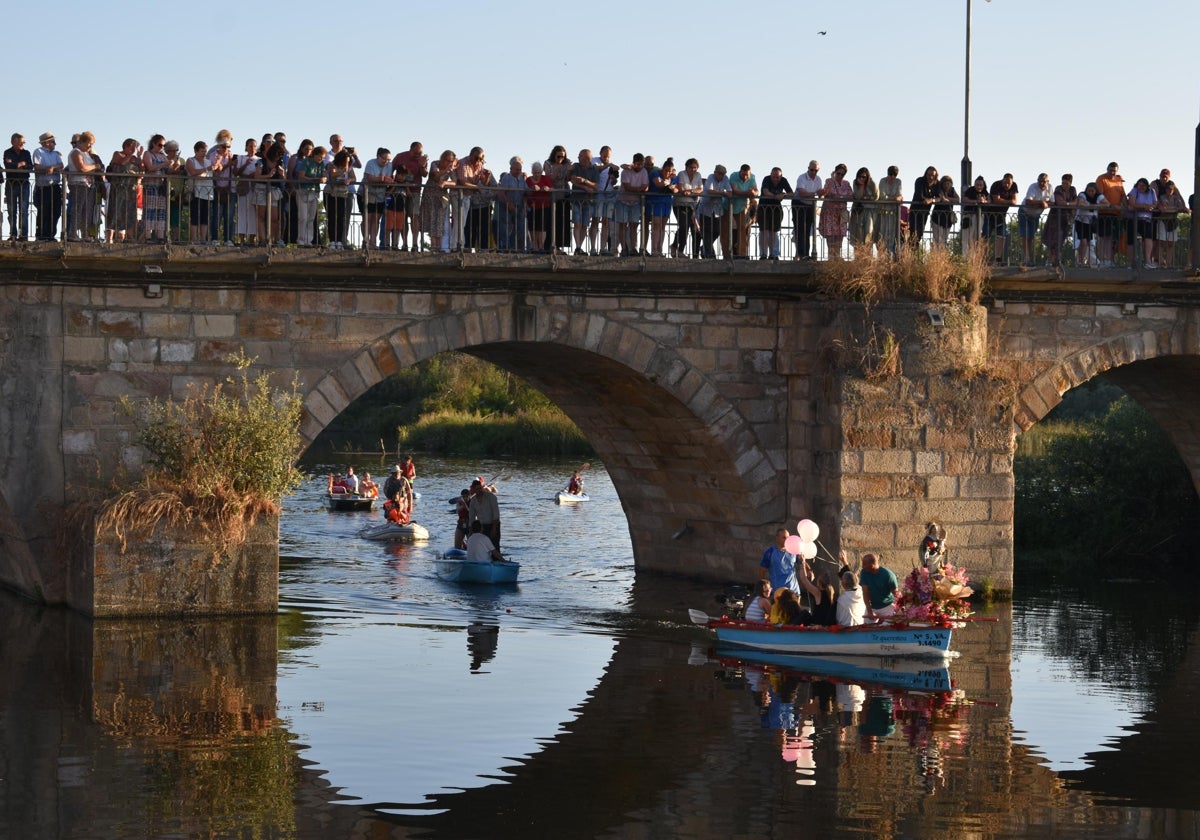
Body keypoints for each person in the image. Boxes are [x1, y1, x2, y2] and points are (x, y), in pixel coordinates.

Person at [105, 138, 142, 244]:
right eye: (132, 147)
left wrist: (139, 156)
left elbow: (141, 168)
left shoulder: (135, 158)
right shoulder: (118, 154)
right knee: (114, 211)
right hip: (118, 188)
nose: (134, 149)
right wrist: (130, 155)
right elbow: (121, 164)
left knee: (130, 213)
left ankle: (130, 238)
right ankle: (110, 238)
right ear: (127, 146)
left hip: (130, 189)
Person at [185, 140, 217, 245]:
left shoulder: (208, 161)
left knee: (205, 217)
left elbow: (213, 173)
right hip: (195, 192)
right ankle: (193, 239)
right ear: (196, 151)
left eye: (205, 151)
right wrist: (206, 169)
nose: (204, 154)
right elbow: (193, 172)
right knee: (194, 216)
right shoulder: (190, 160)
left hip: (208, 192)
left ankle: (203, 239)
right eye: (202, 151)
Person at [568, 148, 600, 255]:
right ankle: (577, 247)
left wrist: (585, 181)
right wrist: (585, 187)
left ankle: (580, 247)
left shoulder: (594, 169)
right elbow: (573, 179)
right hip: (577, 199)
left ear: (587, 158)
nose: (578, 158)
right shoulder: (576, 166)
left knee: (584, 225)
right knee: (577, 223)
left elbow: (596, 186)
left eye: (580, 156)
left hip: (588, 201)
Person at [1043, 173, 1077, 268]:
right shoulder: (1058, 189)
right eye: (1063, 183)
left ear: (1070, 182)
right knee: (1053, 240)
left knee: (1061, 240)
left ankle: (1057, 261)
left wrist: (1068, 204)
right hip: (1055, 219)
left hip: (1065, 220)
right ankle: (1050, 261)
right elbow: (1059, 202)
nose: (1064, 185)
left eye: (1066, 183)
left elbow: (1076, 202)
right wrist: (1070, 204)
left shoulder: (1073, 190)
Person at [1095, 162, 1126, 267]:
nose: (1112, 172)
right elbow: (1100, 196)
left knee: (1113, 239)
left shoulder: (1118, 180)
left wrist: (1125, 208)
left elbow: (1123, 195)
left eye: (1114, 171)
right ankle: (1102, 259)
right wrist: (1111, 206)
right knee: (1103, 237)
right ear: (1107, 169)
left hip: (1116, 214)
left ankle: (1109, 260)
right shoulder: (1101, 179)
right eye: (1110, 170)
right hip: (1104, 213)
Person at [697, 164, 731, 259]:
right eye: (719, 173)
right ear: (715, 172)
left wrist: (721, 193)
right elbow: (709, 191)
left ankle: (704, 248)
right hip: (705, 209)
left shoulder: (725, 179)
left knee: (716, 231)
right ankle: (709, 255)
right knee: (707, 232)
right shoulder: (710, 177)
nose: (721, 176)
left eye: (723, 174)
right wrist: (723, 193)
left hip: (717, 210)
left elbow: (730, 193)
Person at [819, 163, 853, 258]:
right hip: (830, 213)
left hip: (841, 213)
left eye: (842, 174)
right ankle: (831, 257)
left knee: (839, 235)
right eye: (838, 173)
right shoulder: (829, 181)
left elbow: (851, 195)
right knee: (830, 235)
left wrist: (840, 197)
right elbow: (825, 193)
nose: (840, 176)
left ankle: (837, 256)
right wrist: (832, 180)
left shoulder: (846, 183)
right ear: (835, 172)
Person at [757, 166, 792, 260]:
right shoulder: (766, 179)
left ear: (781, 177)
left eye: (777, 177)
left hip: (776, 209)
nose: (775, 179)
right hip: (763, 207)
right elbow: (765, 192)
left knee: (773, 231)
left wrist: (783, 195)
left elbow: (791, 193)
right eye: (774, 177)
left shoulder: (784, 180)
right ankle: (763, 254)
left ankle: (773, 254)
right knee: (763, 231)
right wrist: (776, 196)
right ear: (770, 175)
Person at [1019, 173, 1052, 266]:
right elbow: (1028, 201)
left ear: (1047, 182)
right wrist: (1041, 202)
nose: (1042, 183)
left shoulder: (1050, 188)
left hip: (1035, 216)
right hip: (1024, 213)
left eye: (1044, 182)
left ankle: (1029, 258)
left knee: (1031, 236)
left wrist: (1039, 204)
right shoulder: (1033, 187)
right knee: (1025, 235)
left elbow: (1052, 202)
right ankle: (1026, 258)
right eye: (1040, 181)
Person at [4, 133, 33, 241]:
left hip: (24, 184)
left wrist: (17, 164)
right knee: (12, 211)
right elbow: (8, 166)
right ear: (13, 142)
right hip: (11, 184)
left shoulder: (26, 153)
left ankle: (23, 235)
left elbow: (30, 166)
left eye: (23, 142)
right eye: (20, 142)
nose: (22, 144)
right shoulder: (7, 152)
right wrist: (20, 164)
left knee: (24, 210)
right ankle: (13, 234)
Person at [496, 156, 527, 252]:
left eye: (520, 169)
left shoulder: (522, 179)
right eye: (517, 169)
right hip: (506, 206)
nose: (518, 171)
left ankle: (515, 247)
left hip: (519, 206)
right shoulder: (506, 178)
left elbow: (526, 191)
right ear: (511, 169)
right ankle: (505, 248)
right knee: (505, 228)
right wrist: (509, 204)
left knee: (519, 228)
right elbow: (501, 192)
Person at [987, 173, 1019, 264]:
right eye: (1005, 182)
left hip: (1002, 215)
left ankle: (998, 259)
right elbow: (996, 200)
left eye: (1009, 183)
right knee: (986, 236)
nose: (1007, 185)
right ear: (1002, 180)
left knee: (1001, 237)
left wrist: (1003, 201)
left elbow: (1015, 201)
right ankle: (982, 258)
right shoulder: (996, 185)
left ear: (1012, 182)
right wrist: (1008, 201)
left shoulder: (1014, 186)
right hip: (989, 214)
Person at [1155, 180, 1188, 269]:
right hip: (1163, 221)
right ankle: (1161, 263)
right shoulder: (1162, 197)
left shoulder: (1176, 198)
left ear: (1173, 190)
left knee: (1171, 243)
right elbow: (1164, 208)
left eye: (1171, 189)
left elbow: (1180, 207)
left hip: (1173, 222)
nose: (1169, 190)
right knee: (1161, 243)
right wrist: (1174, 208)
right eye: (1167, 189)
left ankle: (1169, 264)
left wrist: (1172, 209)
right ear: (1165, 189)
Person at [759, 527, 799, 596]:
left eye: (788, 537)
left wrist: (808, 570)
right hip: (778, 593)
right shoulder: (770, 553)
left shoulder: (793, 549)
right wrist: (764, 591)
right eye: (784, 537)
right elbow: (762, 571)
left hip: (794, 591)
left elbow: (802, 561)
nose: (787, 540)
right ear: (777, 538)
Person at [729, 163, 758, 258]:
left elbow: (756, 193)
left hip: (746, 210)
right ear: (740, 172)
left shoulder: (752, 177)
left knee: (745, 234)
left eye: (747, 175)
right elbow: (734, 191)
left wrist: (753, 193)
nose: (745, 177)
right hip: (733, 208)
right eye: (743, 175)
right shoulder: (733, 176)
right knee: (734, 233)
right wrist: (748, 193)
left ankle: (743, 254)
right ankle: (734, 255)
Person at [1127, 177, 1157, 268]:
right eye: (1139, 185)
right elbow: (1132, 203)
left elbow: (1155, 203)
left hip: (1146, 219)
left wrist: (1150, 207)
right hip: (1133, 219)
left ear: (1147, 186)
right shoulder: (1134, 191)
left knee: (1148, 238)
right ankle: (1131, 263)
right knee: (1131, 241)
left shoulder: (1152, 191)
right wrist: (1144, 206)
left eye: (1143, 185)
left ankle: (1148, 261)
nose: (1141, 187)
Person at [858, 553, 899, 620]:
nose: (862, 566)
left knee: (887, 628)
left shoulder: (888, 575)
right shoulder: (864, 572)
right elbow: (865, 592)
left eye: (864, 564)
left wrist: (900, 609)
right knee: (867, 629)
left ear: (872, 565)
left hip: (887, 606)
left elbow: (896, 593)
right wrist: (869, 611)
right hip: (872, 606)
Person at [908, 166, 940, 249]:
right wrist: (929, 200)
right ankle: (907, 254)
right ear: (926, 174)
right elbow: (920, 196)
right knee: (912, 234)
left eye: (933, 175)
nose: (931, 177)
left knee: (919, 234)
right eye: (929, 175)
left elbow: (940, 197)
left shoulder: (937, 184)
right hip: (915, 211)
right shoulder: (920, 181)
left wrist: (931, 200)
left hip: (924, 213)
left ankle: (913, 254)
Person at [797, 561, 837, 626]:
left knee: (804, 613)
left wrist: (802, 563)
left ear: (819, 583)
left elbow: (804, 580)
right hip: (826, 624)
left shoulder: (818, 593)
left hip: (817, 625)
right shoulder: (831, 591)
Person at [849, 166, 877, 259]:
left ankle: (867, 258)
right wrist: (861, 186)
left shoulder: (872, 183)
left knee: (868, 232)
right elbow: (858, 197)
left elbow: (876, 197)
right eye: (860, 176)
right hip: (858, 211)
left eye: (864, 177)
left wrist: (868, 198)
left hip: (869, 211)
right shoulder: (855, 183)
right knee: (857, 234)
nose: (862, 178)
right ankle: (858, 258)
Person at [525, 161, 553, 252]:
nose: (537, 174)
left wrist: (547, 189)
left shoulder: (545, 179)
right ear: (532, 172)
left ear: (541, 172)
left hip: (544, 206)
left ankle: (541, 246)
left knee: (542, 226)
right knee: (532, 226)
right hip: (532, 206)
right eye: (535, 172)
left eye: (539, 172)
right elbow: (525, 192)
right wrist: (532, 189)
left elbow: (552, 188)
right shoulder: (528, 180)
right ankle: (534, 246)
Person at [1075, 182, 1103, 267]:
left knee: (1088, 243)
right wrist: (1093, 206)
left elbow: (1107, 203)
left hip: (1090, 222)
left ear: (1096, 191)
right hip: (1081, 221)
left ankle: (1082, 261)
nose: (1090, 192)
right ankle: (1080, 261)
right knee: (1083, 241)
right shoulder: (1082, 194)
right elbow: (1080, 203)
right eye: (1089, 190)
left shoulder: (1099, 196)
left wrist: (1091, 205)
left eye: (1092, 191)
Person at [876, 165, 903, 256]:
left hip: (894, 212)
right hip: (883, 211)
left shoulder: (898, 182)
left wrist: (895, 198)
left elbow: (899, 195)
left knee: (892, 234)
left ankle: (890, 256)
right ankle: (881, 256)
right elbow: (882, 197)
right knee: (882, 233)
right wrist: (894, 198)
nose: (892, 177)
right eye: (890, 174)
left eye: (894, 175)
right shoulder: (882, 181)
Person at [960, 175, 989, 257]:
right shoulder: (970, 190)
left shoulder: (985, 192)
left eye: (981, 185)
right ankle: (964, 258)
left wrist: (984, 201)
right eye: (977, 184)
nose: (979, 187)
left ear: (983, 185)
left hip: (979, 217)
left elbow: (989, 200)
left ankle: (973, 258)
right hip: (968, 216)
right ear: (974, 184)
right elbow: (964, 199)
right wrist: (975, 201)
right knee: (966, 237)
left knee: (976, 238)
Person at [468, 477, 501, 549]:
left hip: (493, 524)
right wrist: (470, 532)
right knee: (483, 547)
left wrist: (494, 528)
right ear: (474, 490)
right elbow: (471, 518)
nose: (479, 490)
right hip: (481, 527)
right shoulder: (473, 501)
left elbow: (496, 514)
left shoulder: (491, 497)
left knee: (494, 546)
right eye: (477, 489)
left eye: (480, 488)